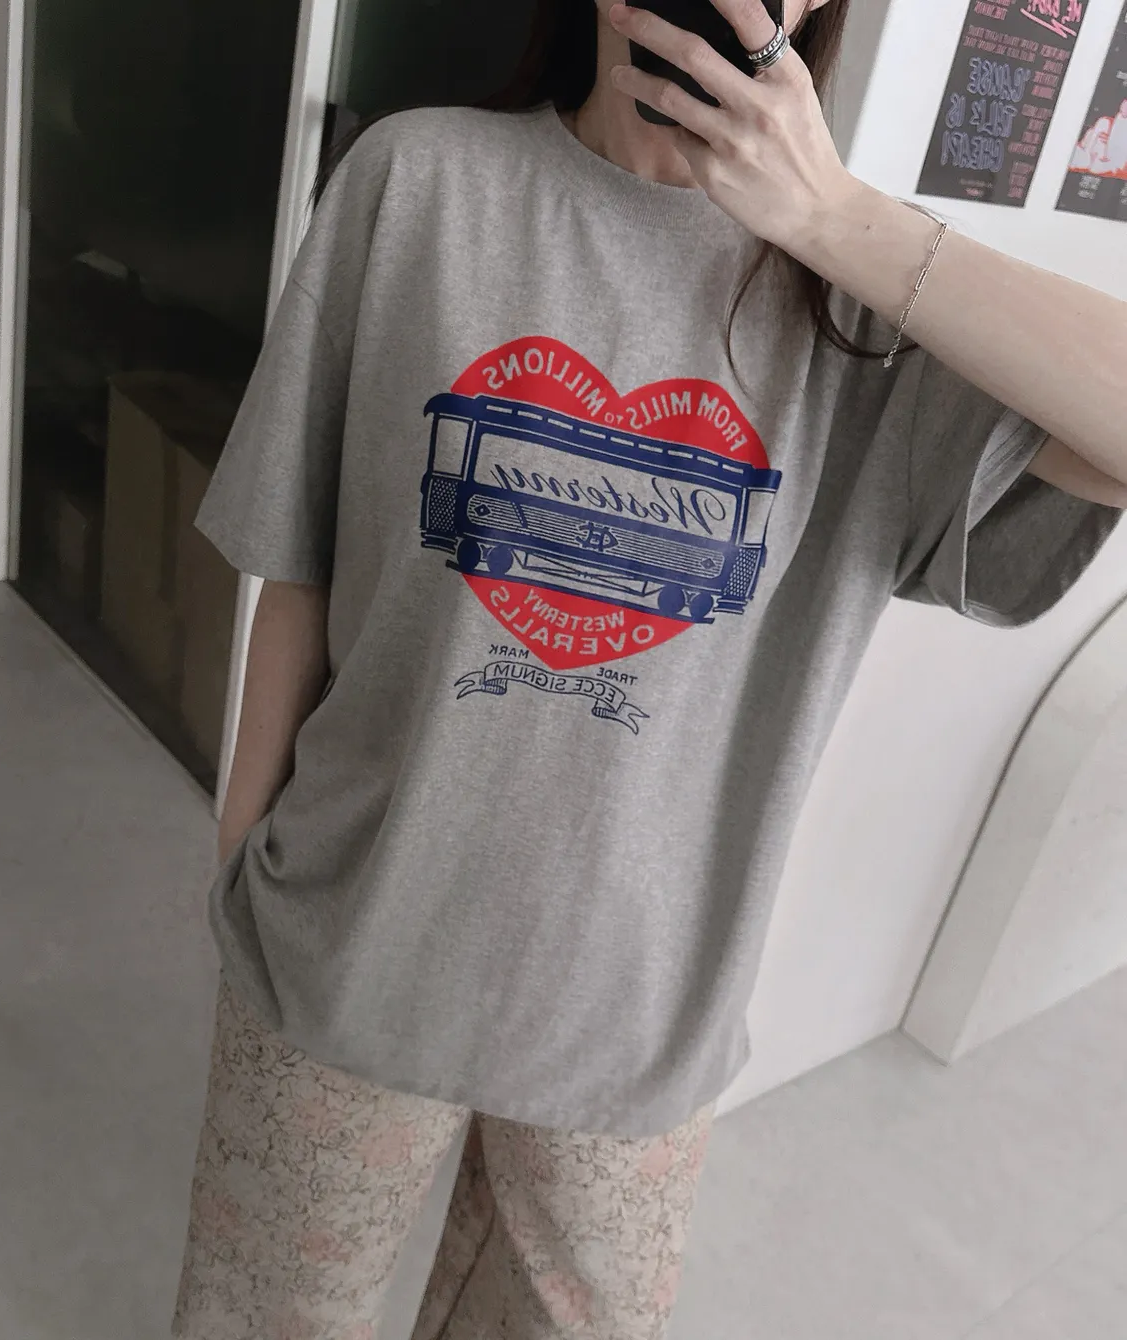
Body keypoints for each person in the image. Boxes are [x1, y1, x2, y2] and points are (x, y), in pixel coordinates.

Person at [171, 2, 1126, 1337]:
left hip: (640, 1020)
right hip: (346, 944)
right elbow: (300, 552)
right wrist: (242, 859)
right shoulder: (418, 181)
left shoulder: (867, 310)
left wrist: (838, 220)